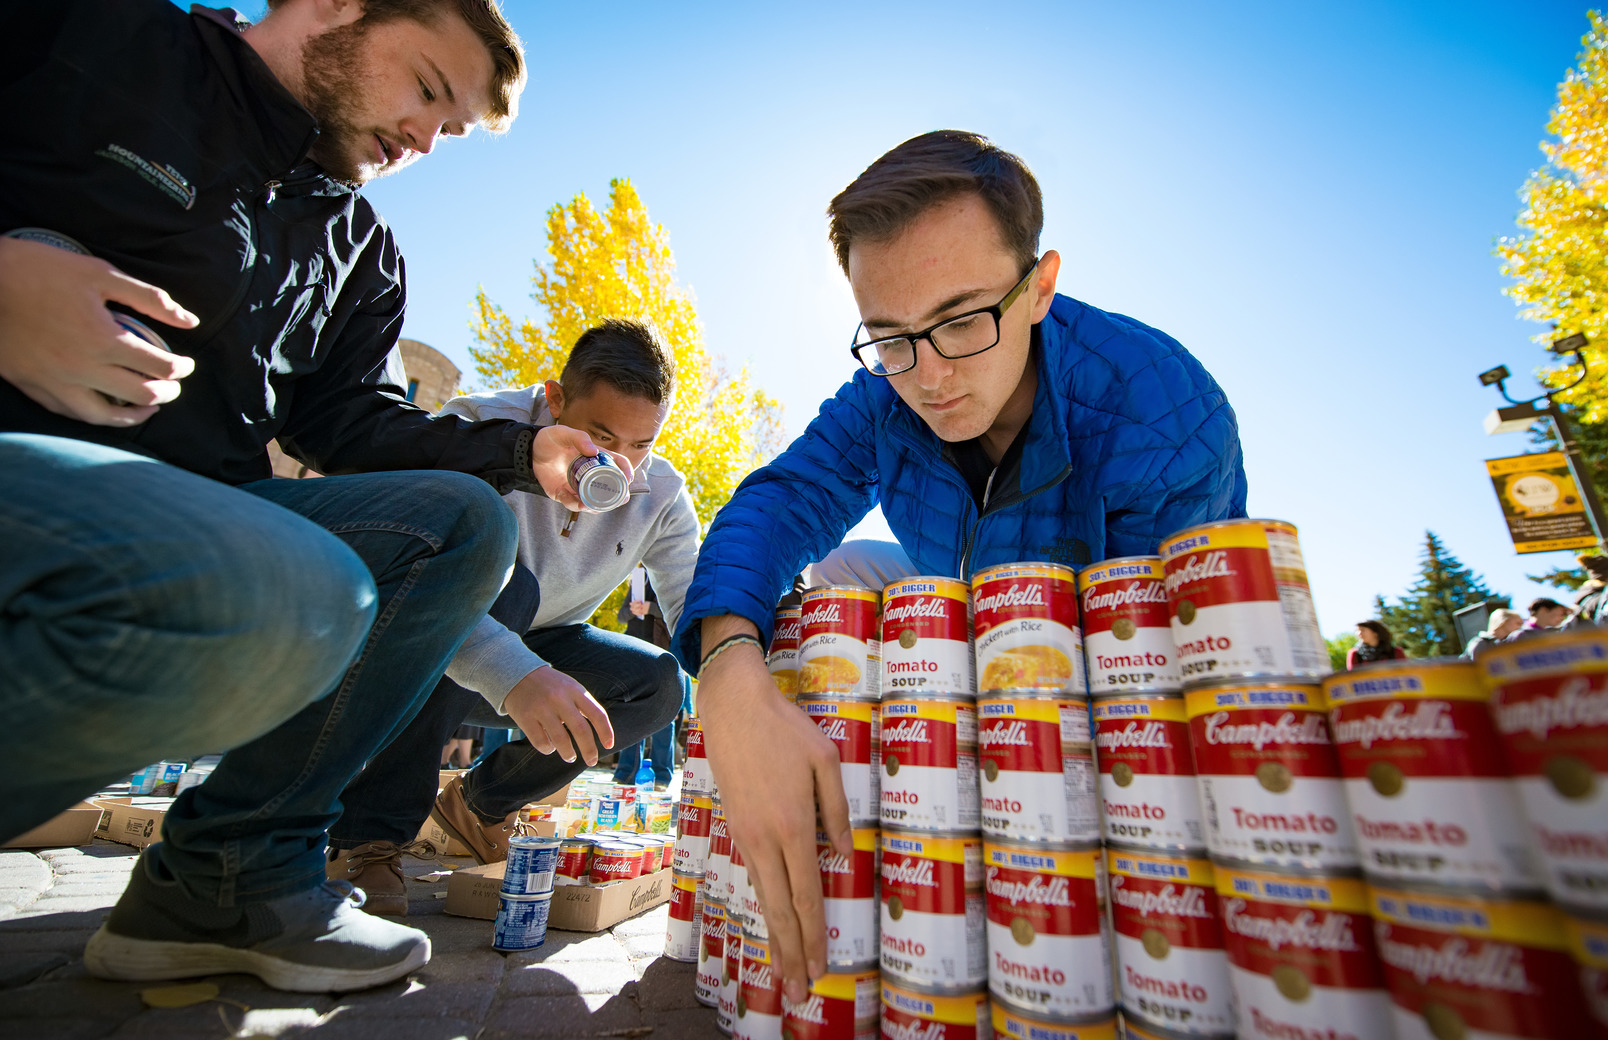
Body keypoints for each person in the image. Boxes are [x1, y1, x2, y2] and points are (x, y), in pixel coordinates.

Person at [0, 0, 619, 993]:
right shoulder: (104, 39)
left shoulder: (362, 252)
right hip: (32, 474)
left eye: (447, 129)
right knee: (284, 575)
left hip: (216, 529)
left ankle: (225, 875)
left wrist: (522, 447)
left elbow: (356, 426)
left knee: (462, 525)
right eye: (425, 87)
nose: (423, 138)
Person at [674, 131, 1247, 1002]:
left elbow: (1153, 683)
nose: (929, 375)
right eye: (891, 336)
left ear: (1040, 287)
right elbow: (777, 503)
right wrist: (728, 675)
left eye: (960, 320)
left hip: (1099, 676)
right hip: (963, 629)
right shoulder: (883, 395)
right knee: (841, 570)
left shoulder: (1163, 414)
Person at [325, 319, 699, 910]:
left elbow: (690, 607)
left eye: (642, 445)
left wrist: (745, 680)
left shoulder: (661, 493)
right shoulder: (475, 428)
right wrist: (509, 668)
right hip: (422, 649)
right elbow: (422, 577)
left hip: (542, 653)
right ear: (553, 400)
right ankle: (367, 834)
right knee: (506, 584)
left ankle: (478, 805)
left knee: (656, 683)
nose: (621, 471)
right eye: (602, 438)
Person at [612, 572, 683, 790]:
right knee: (631, 713)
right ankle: (625, 772)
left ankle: (662, 776)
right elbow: (621, 617)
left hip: (661, 653)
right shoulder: (637, 579)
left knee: (664, 715)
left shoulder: (669, 575)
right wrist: (632, 610)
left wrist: (650, 608)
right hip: (633, 651)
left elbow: (679, 610)